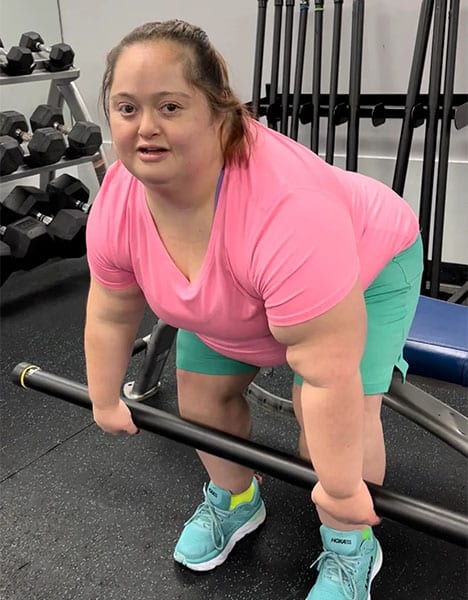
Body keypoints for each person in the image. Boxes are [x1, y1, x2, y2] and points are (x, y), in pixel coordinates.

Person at [84, 19, 423, 600]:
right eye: (126, 108)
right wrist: (103, 394)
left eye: (170, 106)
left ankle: (350, 545)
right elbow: (112, 309)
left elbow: (324, 372)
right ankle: (235, 499)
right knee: (201, 394)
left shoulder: (286, 209)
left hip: (365, 268)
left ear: (221, 110)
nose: (146, 129)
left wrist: (341, 491)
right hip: (242, 290)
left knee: (329, 429)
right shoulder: (119, 196)